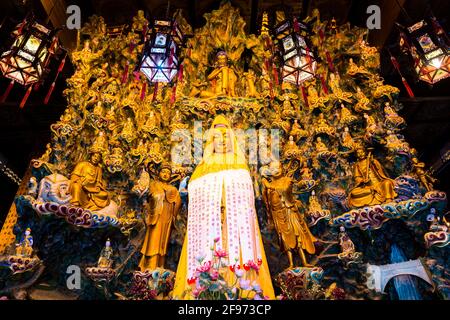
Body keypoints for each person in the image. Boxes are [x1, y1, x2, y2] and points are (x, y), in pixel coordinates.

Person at [173, 115, 275, 299]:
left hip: (234, 222)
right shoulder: (203, 166)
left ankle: (244, 292)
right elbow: (195, 197)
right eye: (217, 138)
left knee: (236, 257)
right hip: (208, 224)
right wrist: (188, 192)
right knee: (209, 259)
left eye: (226, 137)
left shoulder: (238, 162)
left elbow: (247, 194)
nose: (222, 142)